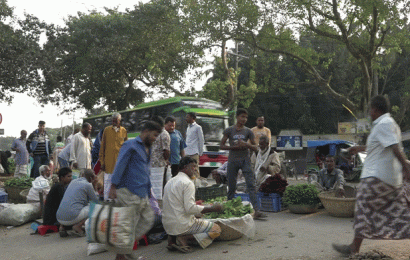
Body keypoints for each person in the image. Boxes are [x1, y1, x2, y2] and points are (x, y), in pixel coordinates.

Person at [332, 95, 410, 256]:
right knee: (398, 212)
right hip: (387, 179)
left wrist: (406, 168)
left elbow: (395, 148)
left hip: (377, 177)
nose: (369, 112)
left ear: (375, 109)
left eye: (370, 109)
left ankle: (353, 248)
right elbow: (379, 147)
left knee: (363, 208)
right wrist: (357, 149)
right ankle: (354, 247)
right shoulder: (389, 124)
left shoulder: (384, 124)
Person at [108, 121, 162, 260]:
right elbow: (120, 165)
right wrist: (113, 186)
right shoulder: (130, 145)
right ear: (147, 131)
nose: (155, 138)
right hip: (127, 191)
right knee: (128, 225)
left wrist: (149, 188)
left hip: (142, 192)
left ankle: (124, 250)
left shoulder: (147, 149)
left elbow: (146, 170)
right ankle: (121, 255)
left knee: (148, 219)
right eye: (155, 135)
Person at [163, 157, 223, 253]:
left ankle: (172, 238)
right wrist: (212, 208)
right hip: (182, 225)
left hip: (167, 225)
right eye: (193, 166)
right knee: (216, 230)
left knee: (194, 215)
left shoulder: (170, 181)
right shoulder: (187, 183)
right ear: (185, 167)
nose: (195, 169)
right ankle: (184, 238)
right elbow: (190, 208)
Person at [220, 108, 266, 219]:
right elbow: (221, 145)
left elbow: (256, 148)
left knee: (251, 185)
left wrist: (246, 144)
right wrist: (234, 147)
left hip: (245, 161)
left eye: (246, 117)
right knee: (231, 186)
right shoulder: (229, 130)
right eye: (242, 117)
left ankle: (256, 210)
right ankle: (229, 209)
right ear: (237, 117)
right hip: (232, 161)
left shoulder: (248, 131)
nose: (244, 119)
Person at [56, 169, 98, 237]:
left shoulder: (73, 181)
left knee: (72, 206)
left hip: (59, 217)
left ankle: (62, 228)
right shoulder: (88, 185)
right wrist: (95, 185)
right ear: (91, 178)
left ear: (82, 175)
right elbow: (96, 202)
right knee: (94, 207)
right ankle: (78, 226)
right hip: (71, 217)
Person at [99, 113, 128, 201]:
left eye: (116, 121)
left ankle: (116, 201)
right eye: (113, 121)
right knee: (107, 182)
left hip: (119, 164)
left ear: (120, 121)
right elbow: (102, 147)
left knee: (118, 183)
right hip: (108, 164)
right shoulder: (107, 130)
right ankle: (106, 200)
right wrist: (102, 162)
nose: (114, 122)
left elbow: (126, 147)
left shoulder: (124, 131)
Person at [43, 167, 73, 237]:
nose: (71, 178)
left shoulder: (61, 186)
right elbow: (63, 205)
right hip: (52, 221)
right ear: (62, 178)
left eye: (71, 176)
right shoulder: (59, 187)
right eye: (68, 176)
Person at [185, 112, 204, 179]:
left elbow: (201, 140)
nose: (186, 118)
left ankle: (197, 185)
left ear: (193, 118)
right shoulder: (188, 128)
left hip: (194, 152)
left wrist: (200, 152)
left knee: (195, 169)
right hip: (187, 152)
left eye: (188, 117)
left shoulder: (198, 127)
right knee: (187, 169)